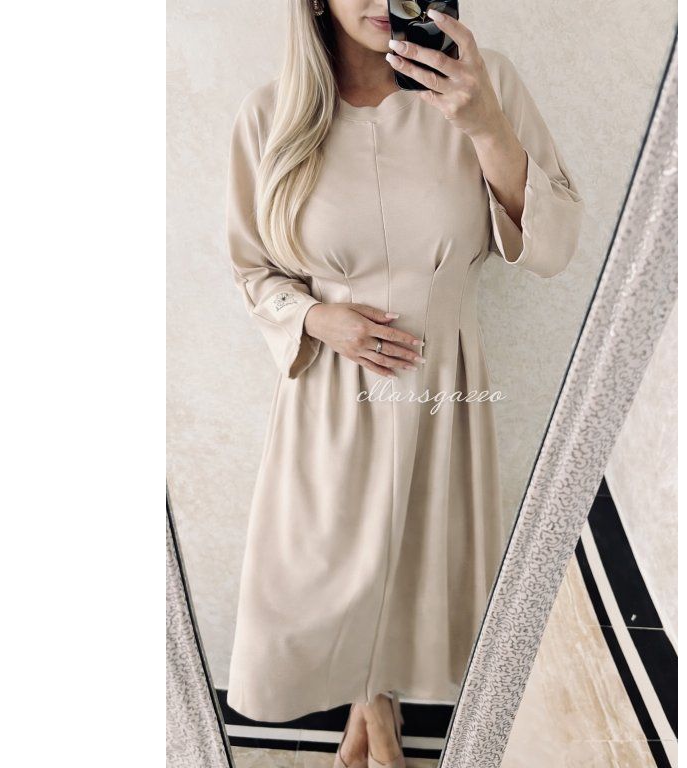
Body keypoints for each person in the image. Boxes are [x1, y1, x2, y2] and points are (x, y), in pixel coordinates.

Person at [224, 1, 584, 766]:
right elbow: (253, 270)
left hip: (444, 390)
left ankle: (377, 709)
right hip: (331, 398)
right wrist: (317, 317)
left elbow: (554, 248)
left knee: (421, 572)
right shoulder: (269, 116)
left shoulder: (485, 84)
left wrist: (486, 125)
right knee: (319, 583)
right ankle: (369, 706)